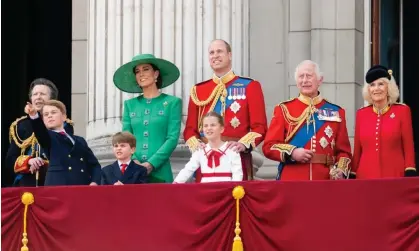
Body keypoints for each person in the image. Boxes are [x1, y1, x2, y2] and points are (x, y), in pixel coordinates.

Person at [183, 39, 267, 181]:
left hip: (237, 156)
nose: (215, 55)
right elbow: (190, 129)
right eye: (211, 52)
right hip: (206, 158)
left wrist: (242, 144)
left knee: (236, 200)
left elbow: (259, 127)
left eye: (219, 51)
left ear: (230, 55)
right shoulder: (198, 90)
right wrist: (198, 146)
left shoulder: (250, 86)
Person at [263, 60, 352, 180]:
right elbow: (269, 146)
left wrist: (341, 170)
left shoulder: (336, 111)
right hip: (292, 180)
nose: (304, 80)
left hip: (325, 181)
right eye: (301, 76)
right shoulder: (284, 109)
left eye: (309, 76)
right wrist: (292, 153)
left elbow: (344, 152)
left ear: (320, 80)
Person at [113, 54, 182, 183]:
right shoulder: (130, 105)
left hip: (161, 172)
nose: (141, 74)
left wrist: (151, 163)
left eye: (146, 69)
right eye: (137, 71)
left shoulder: (172, 103)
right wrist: (134, 160)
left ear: (156, 74)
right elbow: (126, 138)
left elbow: (172, 138)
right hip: (133, 172)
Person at [6, 78, 74, 187]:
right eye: (35, 94)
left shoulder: (64, 124)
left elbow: (65, 156)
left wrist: (42, 163)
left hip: (54, 182)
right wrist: (28, 161)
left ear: (52, 99)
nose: (38, 97)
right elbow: (10, 160)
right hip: (26, 184)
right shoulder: (20, 125)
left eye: (42, 94)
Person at [352, 65, 416, 178]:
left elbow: (408, 147)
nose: (376, 88)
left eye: (381, 84)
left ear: (388, 88)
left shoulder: (402, 111)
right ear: (368, 90)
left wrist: (410, 169)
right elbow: (357, 150)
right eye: (372, 85)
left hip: (395, 176)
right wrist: (353, 173)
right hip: (365, 177)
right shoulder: (361, 114)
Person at [25, 100, 101, 186]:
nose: (50, 116)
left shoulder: (80, 140)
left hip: (82, 187)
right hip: (58, 187)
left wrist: (95, 182)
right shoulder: (48, 137)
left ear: (64, 117)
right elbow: (40, 131)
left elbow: (94, 165)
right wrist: (34, 115)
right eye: (46, 114)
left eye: (53, 112)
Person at [174, 112, 243, 183]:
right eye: (205, 126)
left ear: (222, 129)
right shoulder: (200, 150)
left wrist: (234, 188)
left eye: (213, 125)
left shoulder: (231, 149)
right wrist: (176, 182)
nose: (209, 128)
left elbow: (237, 173)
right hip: (205, 189)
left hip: (226, 189)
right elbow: (188, 169)